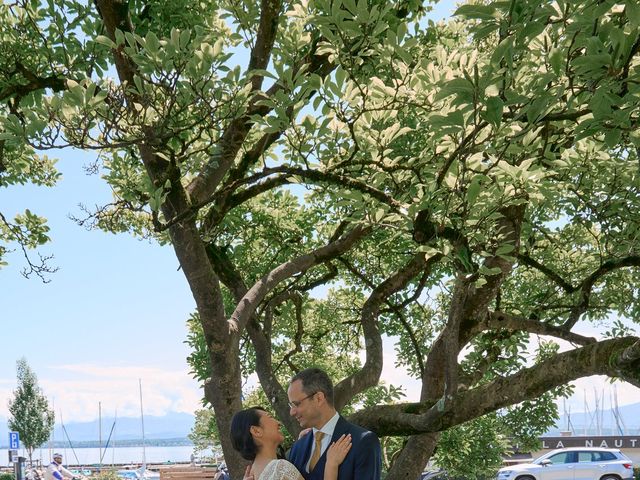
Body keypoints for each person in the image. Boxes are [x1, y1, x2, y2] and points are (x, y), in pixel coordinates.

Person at [287, 368, 382, 480]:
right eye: (291, 406)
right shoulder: (297, 448)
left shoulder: (363, 442)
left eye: (296, 404)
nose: (292, 412)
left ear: (319, 398)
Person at [232, 406, 351, 480]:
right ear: (256, 431)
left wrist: (301, 445)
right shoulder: (280, 468)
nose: (278, 422)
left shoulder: (253, 473)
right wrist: (331, 464)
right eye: (270, 417)